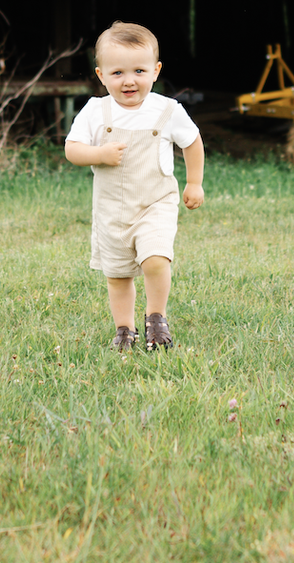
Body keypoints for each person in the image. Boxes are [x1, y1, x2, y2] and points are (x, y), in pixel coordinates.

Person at [63, 22, 207, 350]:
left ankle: (156, 319)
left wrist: (194, 182)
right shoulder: (95, 111)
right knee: (117, 275)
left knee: (156, 258)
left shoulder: (167, 110)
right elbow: (72, 149)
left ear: (156, 71)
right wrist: (98, 153)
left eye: (139, 70)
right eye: (117, 73)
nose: (129, 80)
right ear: (101, 75)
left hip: (156, 201)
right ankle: (124, 329)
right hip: (112, 209)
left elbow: (192, 141)